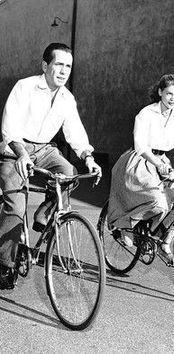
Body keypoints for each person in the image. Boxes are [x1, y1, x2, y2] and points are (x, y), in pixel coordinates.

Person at [0, 42, 102, 289]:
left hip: (45, 149)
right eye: (59, 64)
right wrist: (22, 154)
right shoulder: (25, 87)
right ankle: (4, 264)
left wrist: (88, 156)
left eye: (68, 66)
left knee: (69, 173)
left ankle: (44, 213)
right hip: (15, 150)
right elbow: (9, 126)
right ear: (45, 65)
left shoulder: (67, 98)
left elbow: (75, 131)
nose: (64, 70)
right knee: (15, 207)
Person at [107, 74, 174, 266]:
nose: (173, 98)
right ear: (160, 92)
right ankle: (126, 225)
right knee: (158, 202)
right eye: (169, 93)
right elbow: (141, 146)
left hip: (162, 163)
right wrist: (157, 164)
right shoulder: (146, 114)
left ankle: (163, 242)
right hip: (139, 161)